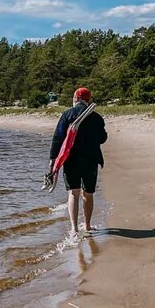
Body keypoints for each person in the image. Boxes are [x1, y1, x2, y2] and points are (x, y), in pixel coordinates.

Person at [48, 87, 107, 238]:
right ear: (89, 99)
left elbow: (58, 138)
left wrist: (52, 160)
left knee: (73, 193)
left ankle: (74, 229)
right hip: (91, 160)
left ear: (75, 98)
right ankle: (87, 226)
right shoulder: (97, 117)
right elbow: (103, 138)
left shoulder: (67, 114)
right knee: (88, 193)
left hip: (71, 160)